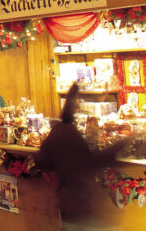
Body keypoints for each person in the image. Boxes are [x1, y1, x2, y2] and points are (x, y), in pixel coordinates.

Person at [35, 84, 130, 231]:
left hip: (68, 203)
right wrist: (123, 144)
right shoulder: (71, 134)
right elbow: (90, 162)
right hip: (83, 204)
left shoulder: (58, 131)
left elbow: (41, 161)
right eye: (77, 105)